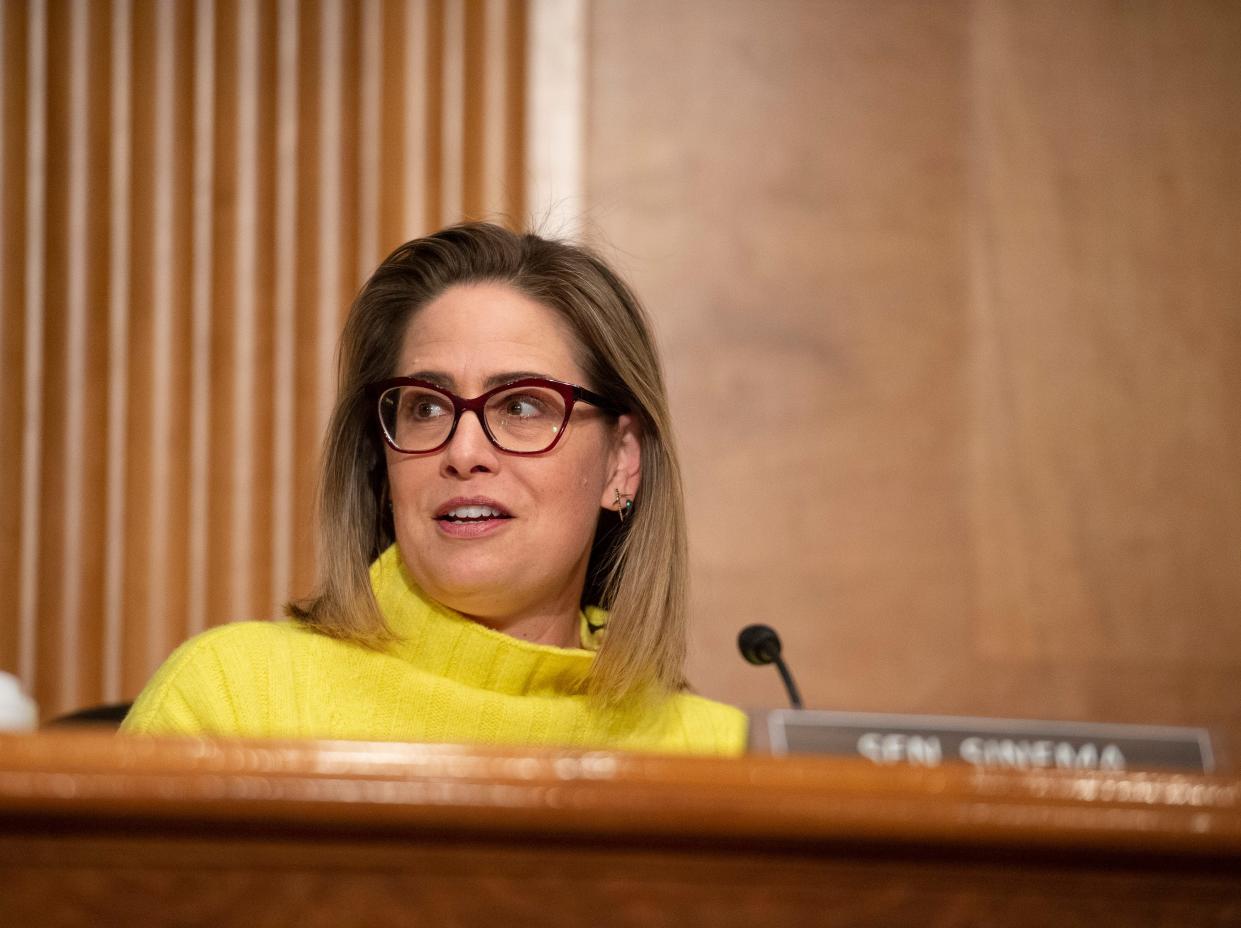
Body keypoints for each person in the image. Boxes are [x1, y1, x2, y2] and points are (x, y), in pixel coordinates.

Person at [122, 223, 747, 755]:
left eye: (523, 406)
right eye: (425, 407)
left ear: (622, 461)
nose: (463, 451)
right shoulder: (234, 701)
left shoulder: (716, 755)